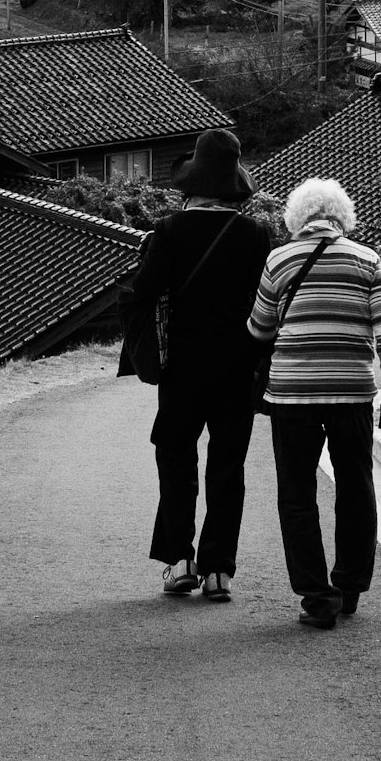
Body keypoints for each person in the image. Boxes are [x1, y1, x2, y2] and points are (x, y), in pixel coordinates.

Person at [248, 177, 381, 631]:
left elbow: (259, 328)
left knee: (296, 494)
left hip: (292, 394)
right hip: (352, 393)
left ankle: (318, 598)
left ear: (297, 218)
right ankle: (350, 587)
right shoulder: (367, 259)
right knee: (356, 487)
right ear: (342, 217)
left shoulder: (279, 259)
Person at [122, 130, 274, 604]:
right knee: (228, 468)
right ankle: (218, 572)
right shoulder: (256, 235)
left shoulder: (169, 231)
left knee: (175, 459)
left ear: (193, 184)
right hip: (237, 368)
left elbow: (142, 296)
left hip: (182, 369)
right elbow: (267, 304)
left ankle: (179, 559)